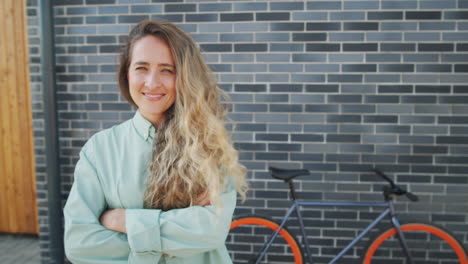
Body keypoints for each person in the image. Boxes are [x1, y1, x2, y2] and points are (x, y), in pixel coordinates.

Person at [64, 19, 248, 263]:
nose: (152, 83)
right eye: (141, 68)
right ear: (126, 73)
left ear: (184, 76)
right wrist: (176, 236)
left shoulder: (209, 146)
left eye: (167, 69)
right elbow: (80, 244)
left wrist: (123, 220)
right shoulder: (99, 150)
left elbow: (210, 232)